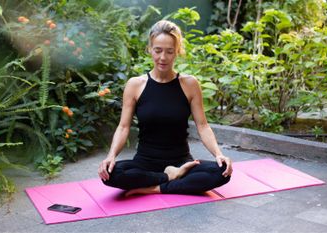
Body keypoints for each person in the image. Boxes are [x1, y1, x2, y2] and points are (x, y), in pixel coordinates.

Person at [98, 20, 232, 196]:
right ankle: (169, 178)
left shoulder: (190, 84)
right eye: (158, 50)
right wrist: (111, 156)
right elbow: (123, 127)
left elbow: (203, 126)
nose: (163, 57)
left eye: (169, 51)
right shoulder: (135, 85)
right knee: (111, 174)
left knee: (221, 172)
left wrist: (218, 154)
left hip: (181, 162)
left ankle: (154, 187)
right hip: (144, 162)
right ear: (149, 49)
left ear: (177, 51)